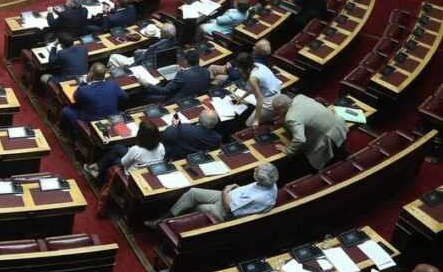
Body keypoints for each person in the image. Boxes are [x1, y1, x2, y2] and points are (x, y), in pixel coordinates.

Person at [149, 163, 279, 226]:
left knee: (196, 207)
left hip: (224, 212)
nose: (254, 172)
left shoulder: (261, 197)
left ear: (260, 179)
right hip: (229, 197)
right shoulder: (270, 181)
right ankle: (165, 218)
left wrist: (226, 190)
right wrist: (236, 190)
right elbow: (249, 192)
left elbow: (229, 209)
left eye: (256, 173)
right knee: (193, 192)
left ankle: (166, 225)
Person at [271, 94, 347, 170]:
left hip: (328, 136)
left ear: (282, 108)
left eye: (276, 109)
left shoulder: (291, 118)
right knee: (341, 153)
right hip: (338, 124)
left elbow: (300, 139)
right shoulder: (300, 97)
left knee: (302, 164)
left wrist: (288, 151)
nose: (275, 112)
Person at [60, 63, 125, 131]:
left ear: (91, 74)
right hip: (111, 115)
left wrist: (84, 82)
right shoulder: (113, 84)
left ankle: (65, 132)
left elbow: (75, 98)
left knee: (66, 110)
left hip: (92, 118)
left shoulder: (83, 90)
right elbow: (124, 96)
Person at [93, 120, 165, 179]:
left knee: (112, 156)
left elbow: (122, 163)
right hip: (147, 167)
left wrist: (130, 152)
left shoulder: (136, 149)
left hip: (133, 172)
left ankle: (99, 174)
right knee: (117, 147)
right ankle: (98, 168)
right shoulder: (161, 146)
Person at [144, 49, 211, 102]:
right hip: (194, 98)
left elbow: (165, 91)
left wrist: (146, 84)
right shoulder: (207, 71)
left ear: (186, 61)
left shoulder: (183, 74)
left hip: (177, 100)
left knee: (145, 95)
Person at [107, 23, 178, 73]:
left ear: (164, 34)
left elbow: (141, 59)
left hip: (145, 65)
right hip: (163, 62)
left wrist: (138, 53)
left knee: (113, 56)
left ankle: (118, 75)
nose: (159, 31)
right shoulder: (174, 41)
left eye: (161, 31)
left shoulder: (155, 47)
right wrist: (145, 50)